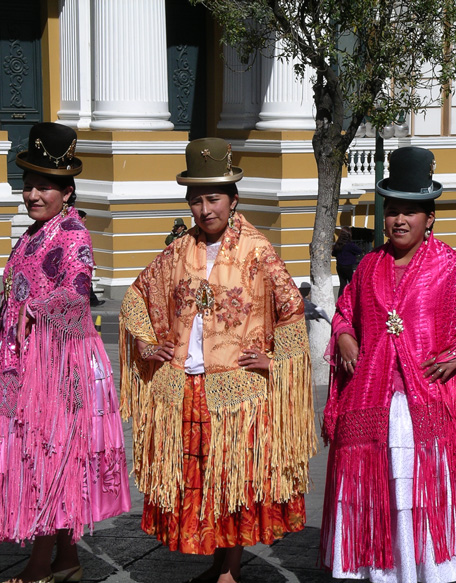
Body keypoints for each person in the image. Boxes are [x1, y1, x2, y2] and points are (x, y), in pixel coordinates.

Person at [119, 138, 317, 583]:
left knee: (233, 480)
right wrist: (149, 345)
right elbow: (137, 295)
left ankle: (229, 569)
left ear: (233, 199)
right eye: (196, 200)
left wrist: (276, 361)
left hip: (236, 390)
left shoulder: (256, 249)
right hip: (187, 384)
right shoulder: (177, 250)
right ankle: (216, 562)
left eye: (213, 199)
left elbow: (291, 307)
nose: (205, 210)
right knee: (200, 479)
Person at [320, 146, 456, 583]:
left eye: (410, 212)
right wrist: (345, 334)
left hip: (427, 404)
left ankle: (431, 571)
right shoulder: (369, 266)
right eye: (392, 210)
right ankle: (387, 571)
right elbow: (344, 310)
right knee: (385, 497)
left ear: (429, 218)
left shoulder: (449, 266)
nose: (399, 220)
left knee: (425, 497)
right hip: (374, 403)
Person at [0, 123, 131, 583]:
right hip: (23, 361)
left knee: (46, 457)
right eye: (28, 185)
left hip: (58, 366)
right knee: (43, 456)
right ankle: (66, 558)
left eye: (44, 187)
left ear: (67, 191)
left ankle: (39, 565)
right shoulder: (33, 234)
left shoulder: (73, 233)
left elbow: (76, 295)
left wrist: (36, 309)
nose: (33, 195)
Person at [77, 209, 105, 307]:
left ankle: (92, 300)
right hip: (81, 262)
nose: (86, 220)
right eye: (84, 218)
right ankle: (92, 300)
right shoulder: (80, 230)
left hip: (82, 261)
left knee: (86, 282)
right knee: (86, 281)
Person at [332, 226, 363, 298]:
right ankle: (353, 299)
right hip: (348, 267)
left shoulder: (338, 244)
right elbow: (359, 251)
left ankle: (340, 300)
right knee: (353, 283)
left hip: (339, 266)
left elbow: (333, 253)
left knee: (342, 284)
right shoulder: (350, 245)